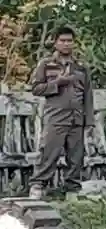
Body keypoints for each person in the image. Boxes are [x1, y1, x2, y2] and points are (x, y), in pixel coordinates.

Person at [28, 25, 94, 199]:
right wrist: (58, 83)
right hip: (55, 117)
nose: (66, 44)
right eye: (62, 41)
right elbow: (35, 88)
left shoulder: (81, 67)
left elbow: (88, 95)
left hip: (76, 118)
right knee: (49, 153)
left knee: (76, 156)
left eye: (69, 41)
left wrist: (90, 121)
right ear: (55, 43)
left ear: (74, 43)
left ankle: (72, 190)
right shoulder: (46, 64)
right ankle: (38, 187)